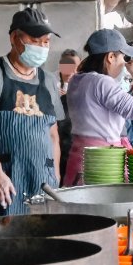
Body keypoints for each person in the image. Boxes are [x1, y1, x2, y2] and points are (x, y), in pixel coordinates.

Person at [0, 8, 64, 221]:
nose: (41, 47)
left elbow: (53, 135)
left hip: (42, 181)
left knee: (42, 242)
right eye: (35, 40)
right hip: (3, 179)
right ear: (14, 38)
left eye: (46, 41)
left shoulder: (49, 81)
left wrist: (55, 176)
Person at [63, 28, 133, 186]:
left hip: (78, 156)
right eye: (123, 56)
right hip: (103, 161)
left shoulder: (77, 80)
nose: (124, 63)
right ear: (110, 57)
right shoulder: (102, 82)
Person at [57, 49, 81, 182]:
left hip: (74, 145)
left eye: (74, 66)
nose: (71, 70)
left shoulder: (83, 87)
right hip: (57, 145)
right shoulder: (50, 84)